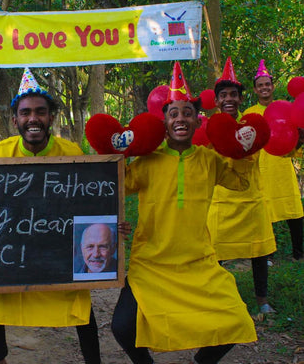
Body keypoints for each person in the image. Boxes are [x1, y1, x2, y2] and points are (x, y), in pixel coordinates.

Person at [0, 68, 101, 364]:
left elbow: (89, 205)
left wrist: (110, 223)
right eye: (26, 112)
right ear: (15, 119)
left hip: (55, 252)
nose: (33, 119)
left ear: (51, 117)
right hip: (10, 251)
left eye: (40, 112)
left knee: (78, 302)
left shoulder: (72, 153)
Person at [111, 62, 257, 364]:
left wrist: (244, 153)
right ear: (164, 122)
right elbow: (116, 186)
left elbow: (241, 183)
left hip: (198, 263)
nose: (180, 118)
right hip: (150, 263)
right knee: (122, 328)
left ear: (196, 120)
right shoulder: (147, 161)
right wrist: (112, 221)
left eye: (187, 113)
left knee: (237, 322)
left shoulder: (208, 159)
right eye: (173, 113)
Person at [207, 57, 277, 314]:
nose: (229, 99)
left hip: (251, 197)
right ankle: (218, 299)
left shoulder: (253, 125)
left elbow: (277, 147)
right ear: (216, 101)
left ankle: (262, 301)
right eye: (223, 94)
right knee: (216, 255)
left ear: (240, 99)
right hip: (220, 200)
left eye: (234, 94)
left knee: (258, 253)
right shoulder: (208, 128)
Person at [244, 60, 304, 262]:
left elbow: (296, 142)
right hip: (261, 170)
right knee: (263, 213)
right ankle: (267, 255)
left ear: (272, 86)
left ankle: (299, 253)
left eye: (267, 84)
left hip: (283, 168)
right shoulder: (249, 113)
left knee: (294, 211)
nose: (264, 88)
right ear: (255, 89)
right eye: (260, 85)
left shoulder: (286, 109)